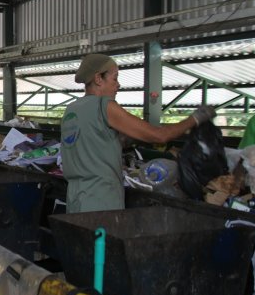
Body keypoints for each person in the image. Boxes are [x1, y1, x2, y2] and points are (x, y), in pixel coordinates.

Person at [60, 53, 216, 213]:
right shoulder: (104, 105)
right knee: (101, 239)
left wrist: (126, 139)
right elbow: (160, 135)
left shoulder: (72, 109)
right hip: (101, 200)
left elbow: (93, 143)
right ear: (99, 79)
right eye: (114, 78)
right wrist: (196, 119)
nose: (118, 85)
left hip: (76, 199)